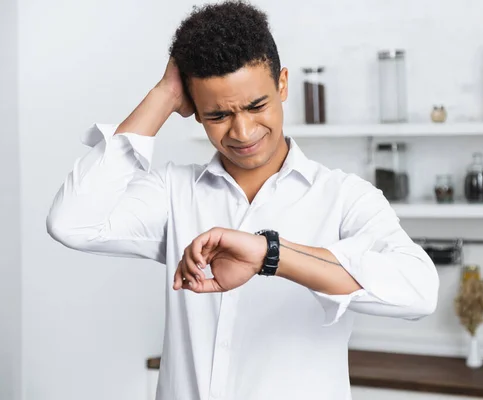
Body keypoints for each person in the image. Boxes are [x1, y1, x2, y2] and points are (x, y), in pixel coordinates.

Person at [46, 1, 439, 399]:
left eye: (257, 106)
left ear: (282, 84)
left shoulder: (344, 197)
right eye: (218, 115)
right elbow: (72, 223)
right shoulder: (173, 193)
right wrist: (163, 94)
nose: (243, 131)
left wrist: (271, 254)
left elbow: (418, 292)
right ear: (195, 112)